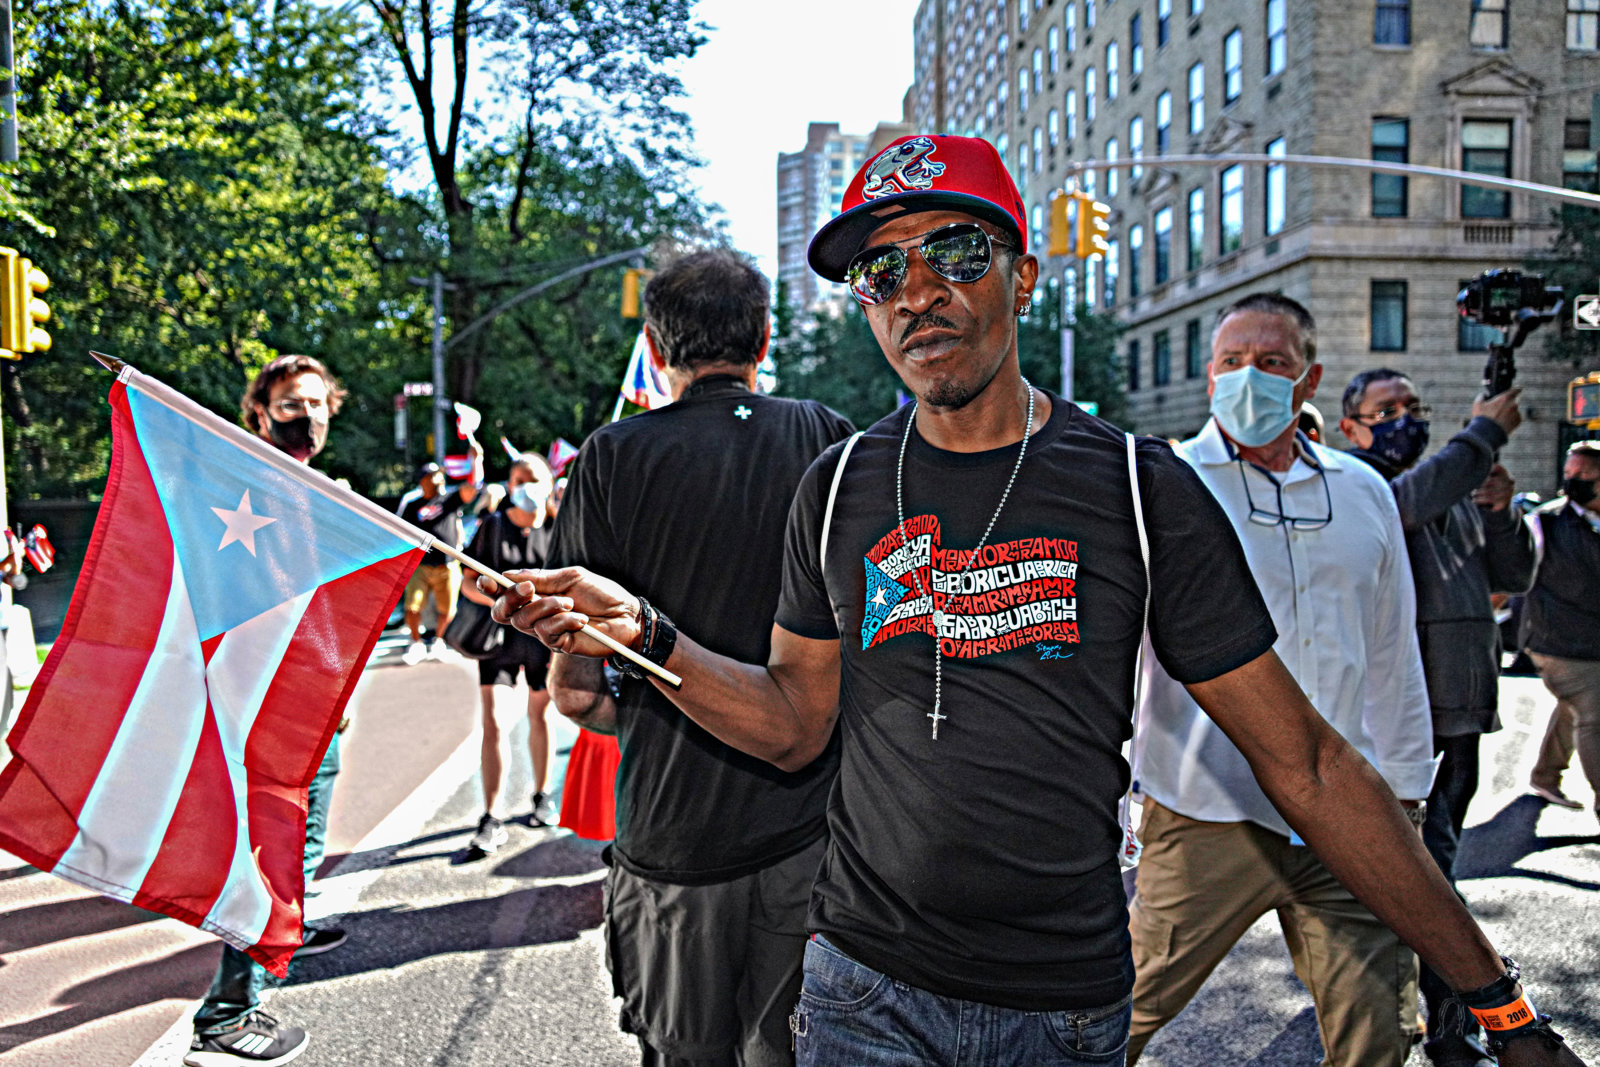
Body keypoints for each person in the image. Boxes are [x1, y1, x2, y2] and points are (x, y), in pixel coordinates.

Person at [489, 135, 1585, 1067]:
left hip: (1058, 1003)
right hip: (858, 988)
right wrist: (641, 629)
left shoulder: (1137, 487)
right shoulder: (834, 486)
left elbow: (1304, 761)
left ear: (1020, 274)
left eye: (954, 252)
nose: (917, 290)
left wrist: (1495, 997)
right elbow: (789, 724)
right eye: (881, 270)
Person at [538, 248, 854, 1067]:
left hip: (673, 840)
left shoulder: (607, 459)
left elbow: (574, 690)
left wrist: (640, 708)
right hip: (812, 836)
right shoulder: (827, 438)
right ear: (765, 337)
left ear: (654, 342)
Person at [1127, 296, 1435, 1066]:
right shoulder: (1169, 484)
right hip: (1208, 807)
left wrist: (1403, 788)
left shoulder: (1363, 491)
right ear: (1208, 378)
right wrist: (1120, 789)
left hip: (1351, 815)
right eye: (1231, 363)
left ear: (1309, 379)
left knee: (1379, 1032)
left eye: (1270, 363)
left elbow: (1393, 647)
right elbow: (1125, 650)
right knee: (1115, 1013)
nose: (1248, 379)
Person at [1339, 369, 1538, 1066]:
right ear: (1350, 427)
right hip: (1404, 722)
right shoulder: (1357, 484)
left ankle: (1404, 1005)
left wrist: (1501, 509)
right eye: (1385, 409)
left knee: (1428, 869)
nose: (1404, 419)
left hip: (1460, 711)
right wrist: (1482, 435)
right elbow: (1404, 505)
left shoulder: (1447, 487)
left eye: (1413, 407)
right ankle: (1452, 1027)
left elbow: (1512, 574)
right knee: (1431, 875)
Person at [186, 354, 349, 1067]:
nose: (305, 416)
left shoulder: (323, 493)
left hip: (317, 702)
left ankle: (288, 925)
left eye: (316, 403)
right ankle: (228, 1014)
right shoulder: (247, 494)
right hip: (276, 709)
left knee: (295, 852)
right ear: (258, 412)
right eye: (289, 404)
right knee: (278, 856)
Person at [457, 451, 560, 855]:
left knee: (541, 714)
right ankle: (492, 815)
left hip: (543, 639)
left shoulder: (558, 528)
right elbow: (467, 582)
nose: (528, 487)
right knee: (495, 722)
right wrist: (501, 604)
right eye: (520, 480)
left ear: (549, 485)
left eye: (536, 479)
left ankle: (542, 794)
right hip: (498, 637)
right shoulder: (493, 526)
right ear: (510, 485)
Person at [1522, 441, 1600, 826]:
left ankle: (1545, 776)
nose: (1572, 482)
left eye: (1583, 475)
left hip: (1590, 643)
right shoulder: (1545, 522)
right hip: (1558, 642)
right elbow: (1512, 576)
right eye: (1568, 474)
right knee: (1594, 712)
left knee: (1573, 705)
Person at [398, 447, 483, 664]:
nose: (438, 479)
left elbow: (471, 489)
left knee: (448, 609)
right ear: (422, 481)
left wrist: (476, 459)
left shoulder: (450, 500)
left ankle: (438, 641)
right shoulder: (412, 505)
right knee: (412, 607)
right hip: (421, 565)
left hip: (448, 565)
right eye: (433, 475)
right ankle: (416, 642)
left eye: (439, 474)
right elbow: (401, 532)